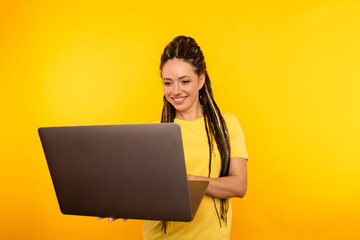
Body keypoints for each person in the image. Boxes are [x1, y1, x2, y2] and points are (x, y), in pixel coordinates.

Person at [103, 35, 248, 240]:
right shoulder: (154, 133)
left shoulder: (227, 125)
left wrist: (192, 182)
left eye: (185, 81)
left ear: (201, 79)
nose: (176, 91)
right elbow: (145, 188)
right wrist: (123, 204)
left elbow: (239, 185)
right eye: (168, 83)